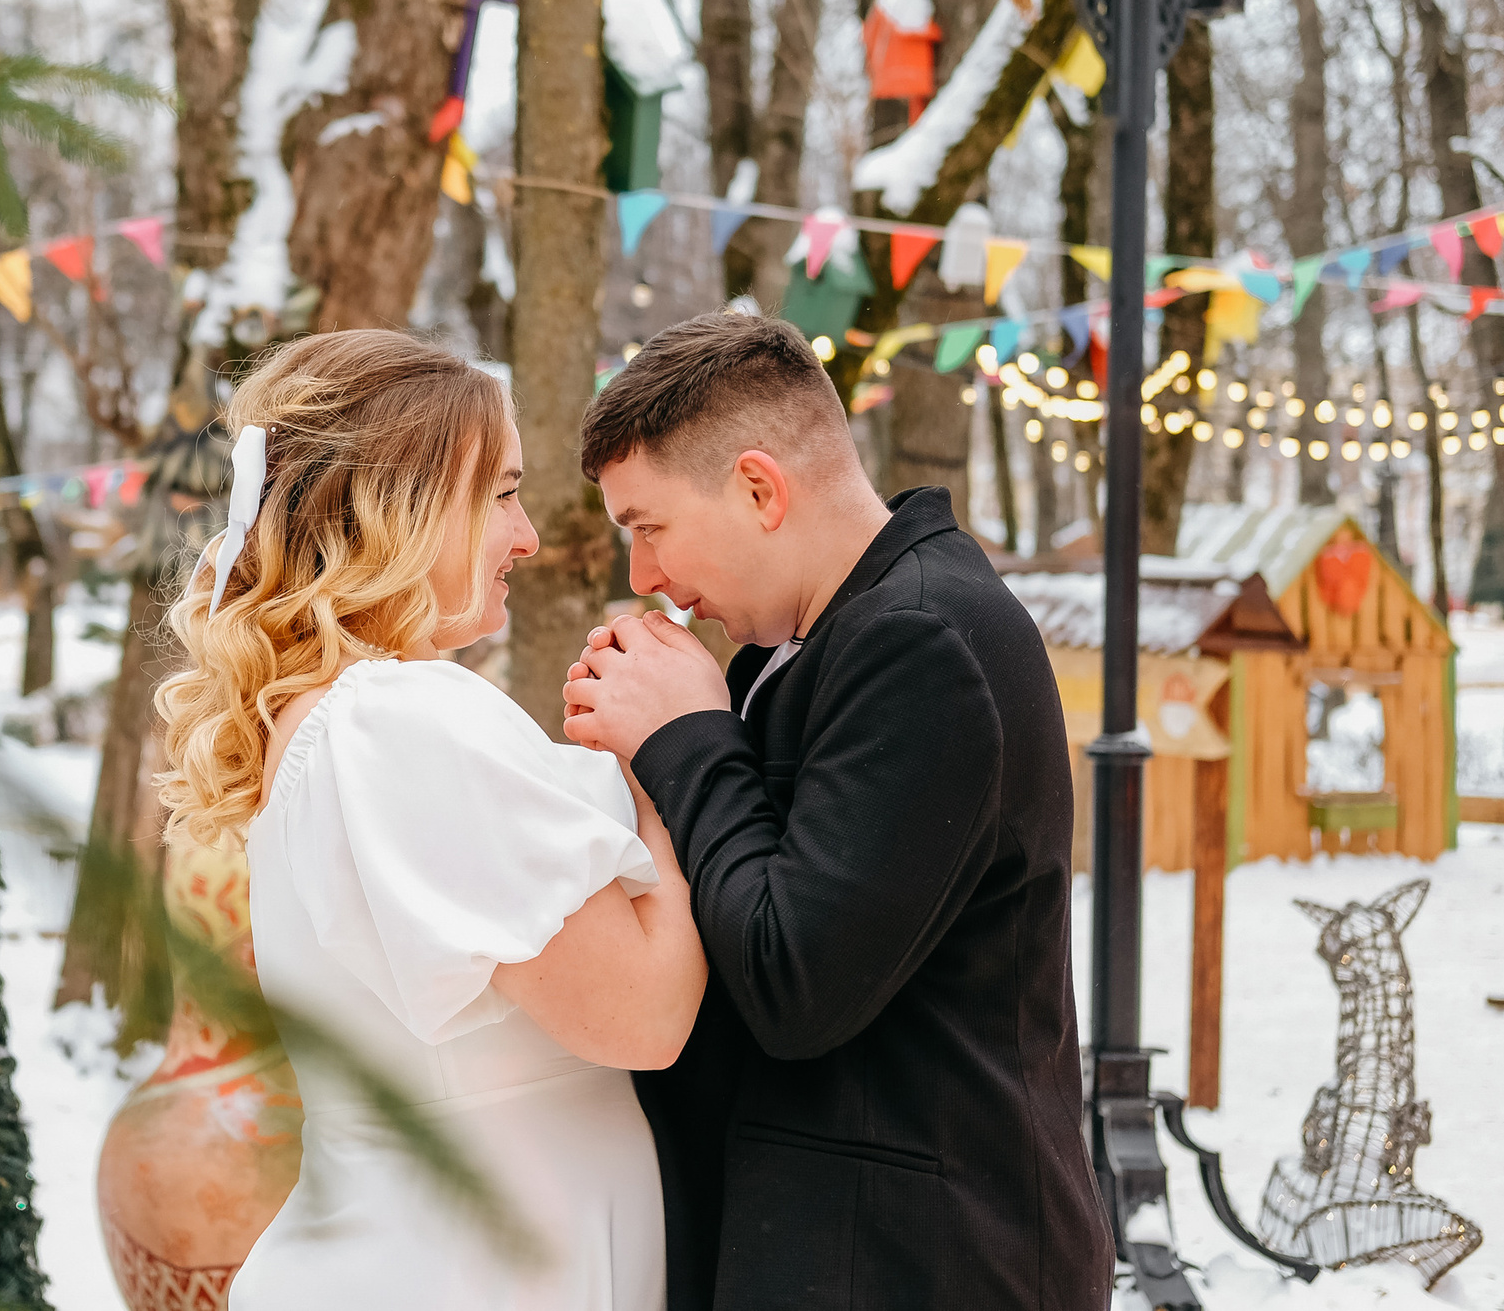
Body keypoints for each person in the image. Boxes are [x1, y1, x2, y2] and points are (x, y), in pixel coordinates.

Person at [561, 310, 1111, 1311]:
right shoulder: (804, 647)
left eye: (649, 529)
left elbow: (797, 979)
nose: (647, 583)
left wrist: (686, 742)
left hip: (922, 1264)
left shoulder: (922, 640)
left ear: (759, 489)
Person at [154, 329, 707, 1311]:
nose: (527, 535)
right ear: (395, 509)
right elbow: (646, 1018)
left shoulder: (347, 720)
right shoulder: (396, 721)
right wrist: (676, 750)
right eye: (498, 493)